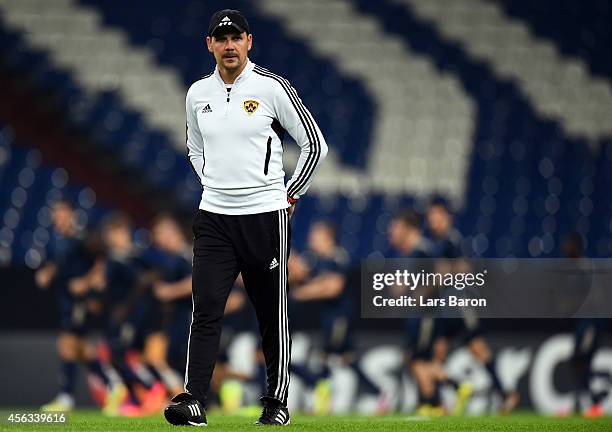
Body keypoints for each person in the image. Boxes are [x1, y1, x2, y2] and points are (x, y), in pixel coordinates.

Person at [164, 9, 328, 427]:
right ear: (210, 45)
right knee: (205, 310)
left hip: (264, 216)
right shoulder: (197, 93)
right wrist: (215, 184)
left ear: (249, 41)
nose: (230, 45)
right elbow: (194, 149)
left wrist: (290, 192)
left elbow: (315, 145)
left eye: (236, 37)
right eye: (222, 39)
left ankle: (276, 403)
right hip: (215, 217)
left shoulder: (272, 88)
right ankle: (195, 401)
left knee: (271, 314)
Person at [289, 221, 382, 414]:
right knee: (329, 359)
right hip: (328, 319)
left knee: (338, 357)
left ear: (326, 236)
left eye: (315, 235)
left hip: (341, 318)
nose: (310, 239)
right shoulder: (317, 260)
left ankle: (377, 393)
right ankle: (326, 395)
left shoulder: (338, 258)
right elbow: (298, 270)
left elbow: (333, 286)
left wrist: (301, 293)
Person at [36, 200, 109, 411]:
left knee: (67, 344)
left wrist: (86, 283)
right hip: (65, 300)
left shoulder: (82, 238)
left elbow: (101, 261)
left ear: (71, 215)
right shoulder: (55, 242)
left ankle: (66, 398)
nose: (58, 218)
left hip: (81, 301)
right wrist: (47, 273)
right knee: (83, 350)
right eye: (55, 214)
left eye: (62, 213)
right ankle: (113, 384)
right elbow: (56, 264)